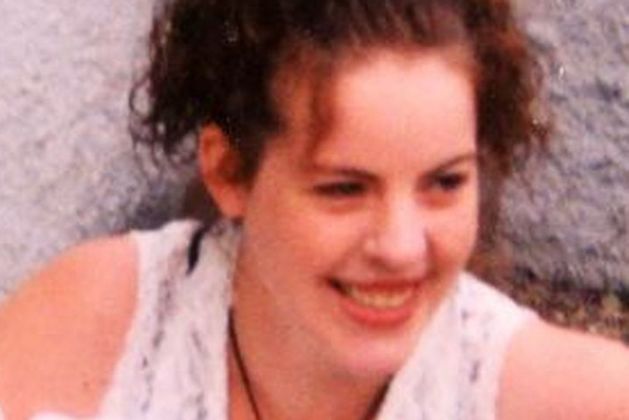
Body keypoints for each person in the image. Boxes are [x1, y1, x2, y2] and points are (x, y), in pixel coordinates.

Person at [0, 0, 628, 418]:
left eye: (444, 182)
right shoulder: (98, 323)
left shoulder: (552, 396)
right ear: (229, 172)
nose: (402, 246)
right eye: (344, 189)